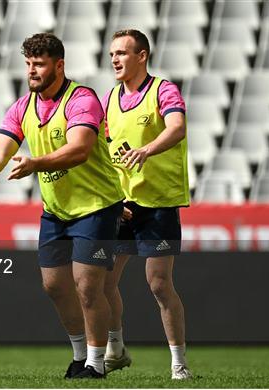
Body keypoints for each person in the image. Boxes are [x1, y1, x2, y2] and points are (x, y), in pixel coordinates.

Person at [0, 33, 124, 379]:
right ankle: (80, 355)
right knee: (53, 285)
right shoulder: (23, 107)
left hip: (97, 205)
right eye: (28, 64)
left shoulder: (81, 99)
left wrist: (36, 164)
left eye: (39, 64)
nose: (32, 71)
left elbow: (80, 148)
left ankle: (96, 364)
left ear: (59, 65)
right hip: (57, 210)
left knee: (87, 285)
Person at [101, 29, 193, 380]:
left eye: (122, 53)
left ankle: (178, 363)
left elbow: (177, 127)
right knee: (103, 280)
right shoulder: (109, 99)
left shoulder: (162, 90)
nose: (115, 59)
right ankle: (116, 348)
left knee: (157, 283)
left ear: (142, 56)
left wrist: (147, 150)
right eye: (112, 54)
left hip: (159, 202)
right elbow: (106, 149)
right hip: (122, 203)